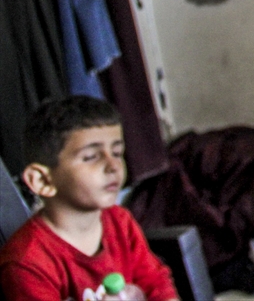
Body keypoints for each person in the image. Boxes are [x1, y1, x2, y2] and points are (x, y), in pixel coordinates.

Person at [0, 96, 178, 301]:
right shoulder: (27, 262)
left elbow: (156, 283)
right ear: (42, 181)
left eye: (117, 153)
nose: (113, 166)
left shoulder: (120, 221)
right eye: (91, 157)